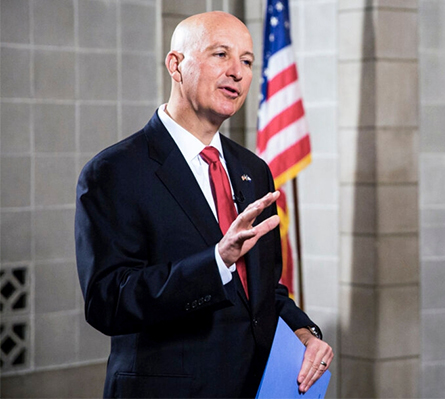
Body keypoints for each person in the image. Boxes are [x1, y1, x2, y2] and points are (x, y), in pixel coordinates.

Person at [75, 11, 332, 398]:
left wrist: (302, 331)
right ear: (176, 65)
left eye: (246, 61)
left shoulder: (253, 169)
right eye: (220, 55)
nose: (238, 72)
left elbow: (262, 288)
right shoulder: (114, 171)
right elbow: (108, 301)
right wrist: (215, 263)